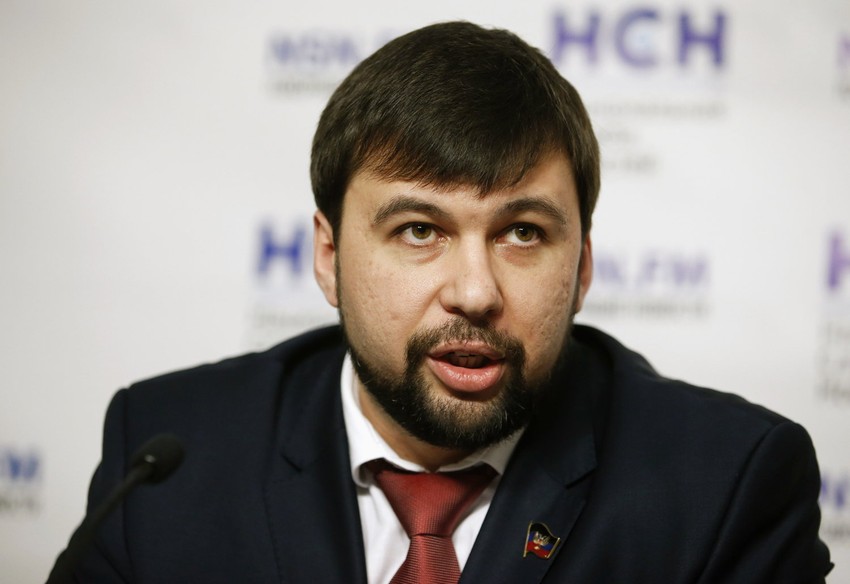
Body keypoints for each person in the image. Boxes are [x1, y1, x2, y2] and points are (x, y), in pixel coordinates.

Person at [51, 21, 832, 583]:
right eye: (419, 230)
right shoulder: (167, 459)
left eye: (523, 233)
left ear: (584, 264)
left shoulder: (726, 486)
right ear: (328, 256)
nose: (475, 293)